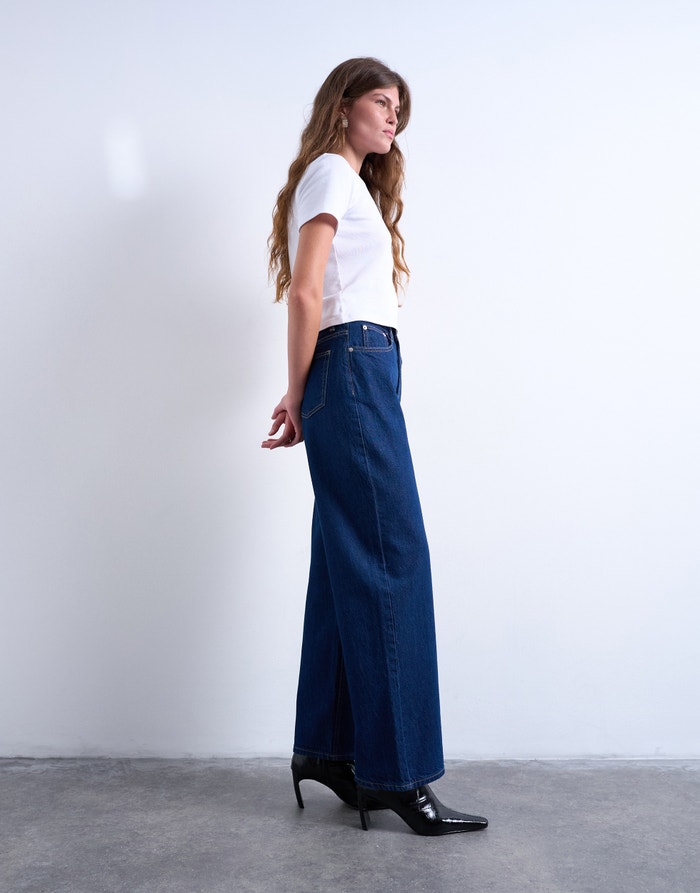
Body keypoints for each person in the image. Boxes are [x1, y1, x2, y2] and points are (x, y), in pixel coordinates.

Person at [261, 57, 488, 836]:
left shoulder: (341, 180)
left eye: (399, 110)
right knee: (394, 555)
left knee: (344, 557)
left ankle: (326, 748)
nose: (393, 118)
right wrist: (298, 393)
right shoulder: (331, 171)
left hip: (351, 367)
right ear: (344, 106)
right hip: (352, 364)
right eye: (382, 103)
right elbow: (306, 290)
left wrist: (307, 390)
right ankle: (398, 774)